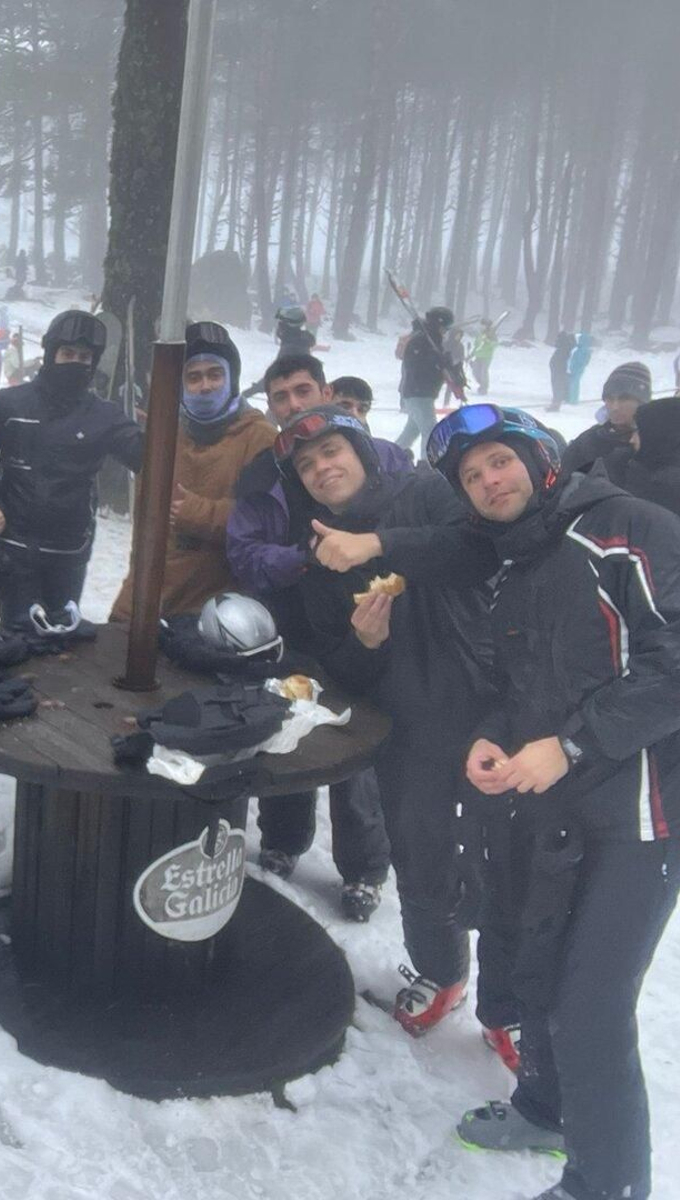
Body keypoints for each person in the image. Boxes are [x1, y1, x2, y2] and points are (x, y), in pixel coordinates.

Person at [416, 404, 680, 1200]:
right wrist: (491, 738)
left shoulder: (625, 528)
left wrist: (567, 747)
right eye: (471, 476)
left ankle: (608, 1184)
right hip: (554, 810)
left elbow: (673, 664)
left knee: (592, 1007)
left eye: (499, 461)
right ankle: (543, 1108)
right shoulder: (513, 563)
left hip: (642, 815)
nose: (489, 481)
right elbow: (516, 686)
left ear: (538, 458)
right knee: (542, 970)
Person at [279, 407, 510, 1041]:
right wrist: (366, 642)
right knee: (419, 856)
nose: (322, 468)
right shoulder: (320, 551)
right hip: (407, 724)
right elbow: (340, 668)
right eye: (306, 464)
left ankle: (512, 1007)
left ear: (360, 450)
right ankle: (442, 974)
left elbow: (477, 550)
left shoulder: (425, 492)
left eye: (332, 451)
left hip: (490, 707)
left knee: (506, 862)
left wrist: (379, 544)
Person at [224, 354, 401, 916]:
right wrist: (303, 558)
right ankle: (282, 839)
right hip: (292, 626)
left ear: (326, 389)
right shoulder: (264, 474)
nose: (295, 405)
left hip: (371, 621)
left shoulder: (387, 457)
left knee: (358, 750)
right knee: (289, 738)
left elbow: (418, 526)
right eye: (281, 398)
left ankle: (365, 868)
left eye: (303, 391)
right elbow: (245, 555)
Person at [0, 310, 142, 631]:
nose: (75, 363)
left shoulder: (102, 414)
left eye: (84, 357)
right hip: (15, 548)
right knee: (20, 640)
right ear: (51, 353)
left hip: (69, 551)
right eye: (67, 353)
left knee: (62, 642)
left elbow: (144, 455)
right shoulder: (11, 403)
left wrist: (170, 423)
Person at [107, 321, 275, 622]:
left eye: (215, 373)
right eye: (193, 377)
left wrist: (198, 513)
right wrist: (127, 610)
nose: (205, 385)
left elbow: (267, 524)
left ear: (231, 378)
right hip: (152, 604)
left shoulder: (259, 437)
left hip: (217, 610)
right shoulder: (165, 435)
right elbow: (145, 536)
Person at [562, 361, 651, 475]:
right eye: (609, 399)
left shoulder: (656, 444)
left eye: (624, 399)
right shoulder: (590, 440)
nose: (615, 407)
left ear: (642, 402)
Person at [395, 306, 460, 451]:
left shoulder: (433, 340)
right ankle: (428, 466)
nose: (446, 331)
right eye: (445, 327)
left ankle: (390, 457)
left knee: (412, 431)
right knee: (430, 431)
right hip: (417, 393)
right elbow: (413, 366)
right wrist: (435, 361)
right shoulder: (420, 339)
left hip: (425, 393)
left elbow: (438, 366)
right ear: (438, 324)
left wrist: (445, 362)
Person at [604, 395, 680, 518]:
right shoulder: (656, 468)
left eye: (638, 431)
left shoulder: (661, 488)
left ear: (657, 435)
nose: (632, 440)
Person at [547, 331, 575, 412]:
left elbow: (561, 360)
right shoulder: (564, 347)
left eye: (557, 339)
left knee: (557, 387)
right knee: (557, 386)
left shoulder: (564, 347)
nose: (556, 341)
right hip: (558, 369)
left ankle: (555, 405)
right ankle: (555, 403)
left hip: (559, 369)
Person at [470, 318, 499, 395]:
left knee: (484, 372)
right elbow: (476, 345)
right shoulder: (480, 334)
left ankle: (484, 388)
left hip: (486, 356)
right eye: (481, 325)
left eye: (484, 325)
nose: (482, 326)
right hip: (478, 355)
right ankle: (481, 384)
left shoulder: (491, 334)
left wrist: (488, 341)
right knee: (475, 372)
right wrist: (471, 354)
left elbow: (495, 344)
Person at [566, 331, 594, 407]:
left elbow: (581, 360)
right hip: (575, 368)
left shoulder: (583, 349)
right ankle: (572, 398)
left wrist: (575, 367)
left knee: (575, 383)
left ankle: (573, 400)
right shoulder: (580, 348)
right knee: (573, 383)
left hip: (577, 369)